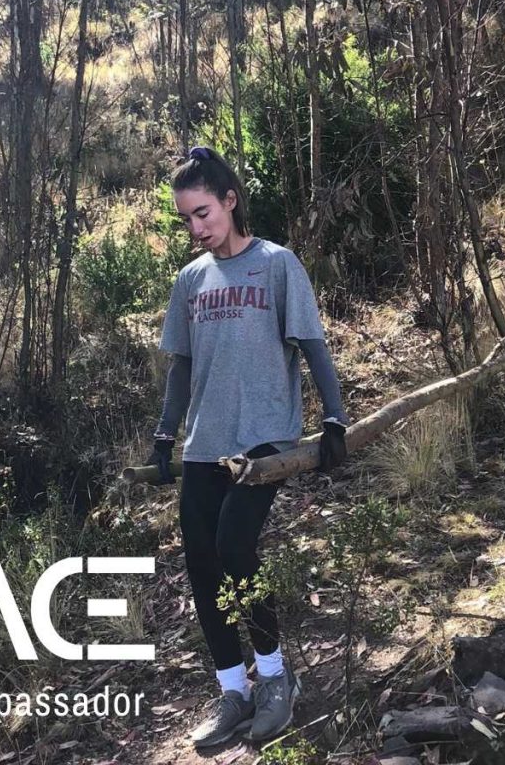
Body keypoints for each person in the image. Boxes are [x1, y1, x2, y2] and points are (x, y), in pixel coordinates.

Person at [144, 146, 349, 748]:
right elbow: (180, 368)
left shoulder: (277, 264)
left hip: (264, 435)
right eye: (185, 218)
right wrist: (165, 434)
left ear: (230, 201)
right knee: (202, 562)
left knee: (235, 545)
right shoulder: (190, 280)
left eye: (203, 213)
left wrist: (334, 419)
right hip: (205, 440)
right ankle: (233, 689)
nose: (196, 227)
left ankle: (276, 679)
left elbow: (312, 345)